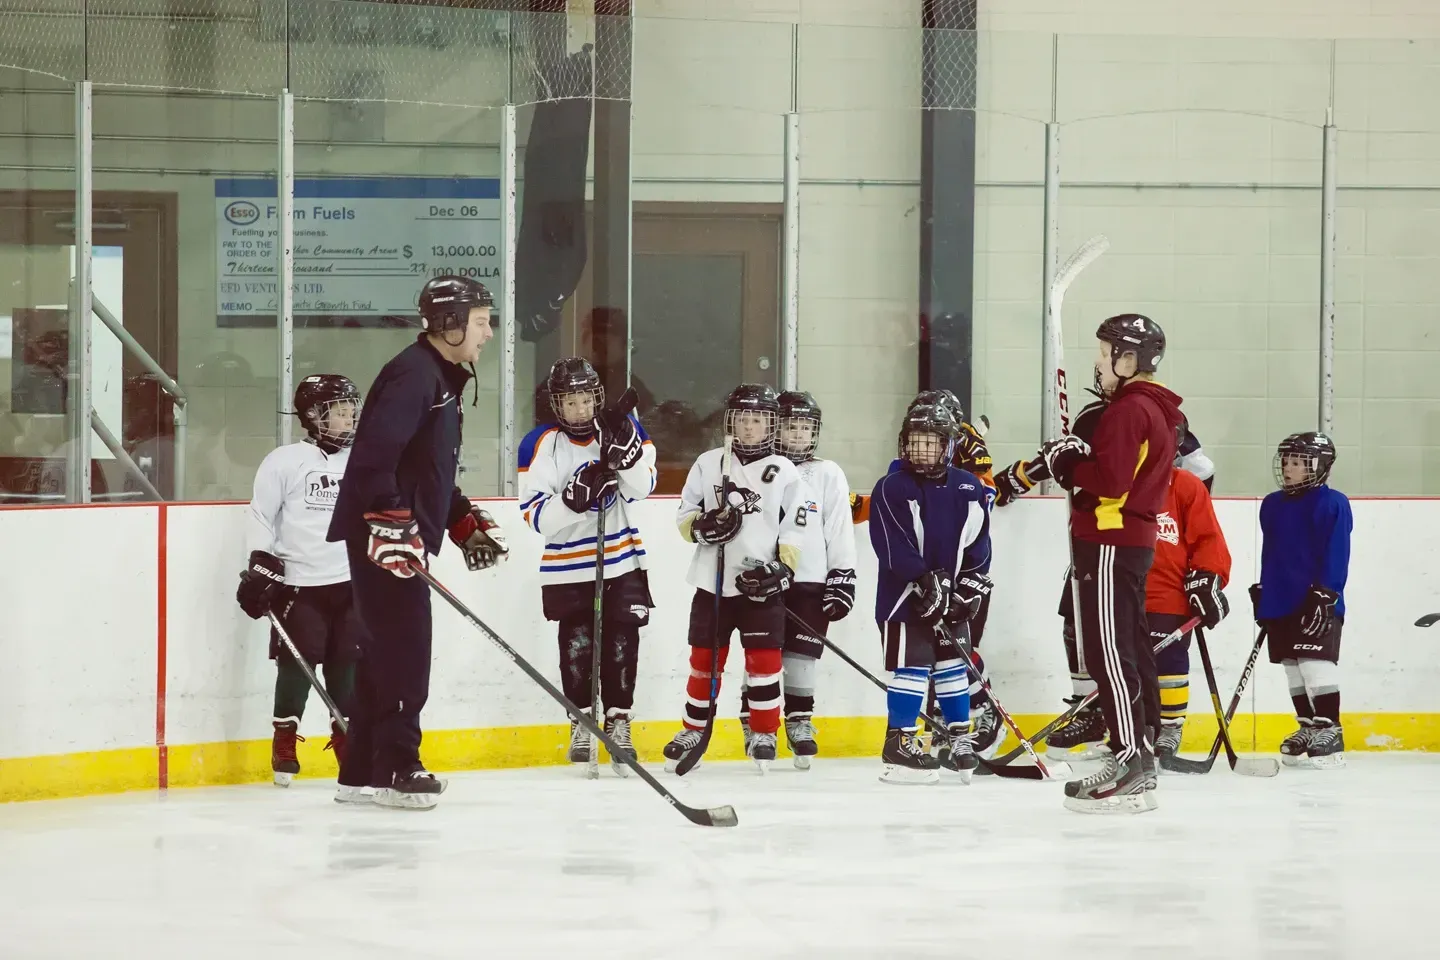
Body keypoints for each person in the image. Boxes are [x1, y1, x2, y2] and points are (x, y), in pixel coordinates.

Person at [326, 276, 509, 809]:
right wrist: (388, 521)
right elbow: (372, 460)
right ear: (450, 325)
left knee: (384, 653)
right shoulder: (414, 376)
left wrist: (461, 520)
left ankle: (360, 772)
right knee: (406, 653)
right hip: (385, 536)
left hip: (396, 531)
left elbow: (423, 469)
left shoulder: (439, 377)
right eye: (480, 322)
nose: (489, 334)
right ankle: (399, 767)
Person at [1035, 313, 1184, 814]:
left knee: (1109, 653)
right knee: (1132, 647)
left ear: (1128, 359)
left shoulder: (1128, 410)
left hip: (1109, 540)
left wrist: (1067, 463)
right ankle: (1141, 750)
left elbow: (1109, 480)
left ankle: (1128, 760)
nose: (1098, 363)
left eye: (1104, 354)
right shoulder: (1158, 409)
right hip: (1133, 542)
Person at [663, 384, 811, 774]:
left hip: (761, 584)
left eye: (758, 420)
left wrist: (781, 570)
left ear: (771, 425)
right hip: (712, 581)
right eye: (743, 419)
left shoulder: (785, 472)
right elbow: (684, 516)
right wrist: (702, 527)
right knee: (704, 662)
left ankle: (764, 731)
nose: (749, 427)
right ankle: (694, 729)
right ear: (731, 421)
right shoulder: (708, 463)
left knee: (764, 662)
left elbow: (796, 529)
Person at [517, 357, 657, 769]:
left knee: (621, 643)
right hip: (567, 566)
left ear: (597, 397)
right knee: (577, 646)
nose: (580, 410)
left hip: (621, 558)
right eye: (569, 401)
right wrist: (571, 501)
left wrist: (625, 458)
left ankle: (618, 721)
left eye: (585, 399)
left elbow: (642, 489)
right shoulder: (540, 444)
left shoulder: (622, 428)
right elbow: (535, 517)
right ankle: (581, 720)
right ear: (555, 405)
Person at [237, 374, 362, 788]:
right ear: (313, 415)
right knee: (296, 665)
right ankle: (285, 739)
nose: (350, 418)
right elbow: (260, 516)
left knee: (348, 666)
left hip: (349, 584)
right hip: (299, 584)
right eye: (340, 412)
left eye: (351, 410)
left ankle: (348, 742)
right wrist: (260, 565)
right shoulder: (285, 460)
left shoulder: (360, 459)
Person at [869, 402, 992, 785]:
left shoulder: (969, 486)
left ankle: (960, 737)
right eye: (915, 442)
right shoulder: (892, 486)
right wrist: (924, 581)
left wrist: (970, 586)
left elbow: (980, 544)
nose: (921, 450)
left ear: (949, 446)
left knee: (953, 665)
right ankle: (899, 743)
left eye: (931, 442)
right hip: (903, 599)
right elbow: (892, 545)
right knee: (913, 666)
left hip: (950, 596)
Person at [736, 390, 856, 769]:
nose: (800, 435)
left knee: (802, 655)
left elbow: (838, 527)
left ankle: (800, 721)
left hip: (810, 580)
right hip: (765, 580)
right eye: (792, 427)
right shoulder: (761, 468)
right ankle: (756, 723)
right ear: (776, 427)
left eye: (807, 427)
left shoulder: (827, 472)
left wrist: (842, 573)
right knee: (763, 653)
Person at [1255, 431, 1351, 769]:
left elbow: (1337, 551)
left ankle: (1330, 728)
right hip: (1281, 598)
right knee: (1292, 667)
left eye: (1298, 462)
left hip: (1316, 600)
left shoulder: (1332, 502)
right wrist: (1265, 592)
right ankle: (1309, 726)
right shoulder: (1272, 504)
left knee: (1314, 664)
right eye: (1286, 461)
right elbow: (1273, 553)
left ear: (1319, 466)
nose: (1289, 468)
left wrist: (1327, 592)